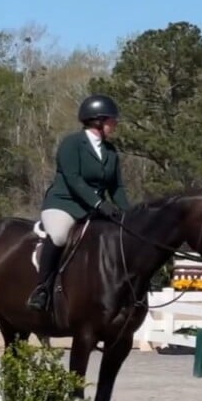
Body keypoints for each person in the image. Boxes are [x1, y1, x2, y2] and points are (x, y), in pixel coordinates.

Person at [26, 94, 131, 312]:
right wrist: (100, 204)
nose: (116, 123)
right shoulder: (72, 144)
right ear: (98, 121)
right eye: (112, 119)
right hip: (64, 203)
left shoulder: (110, 152)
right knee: (59, 235)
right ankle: (42, 288)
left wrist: (129, 215)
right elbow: (74, 180)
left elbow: (117, 187)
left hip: (93, 208)